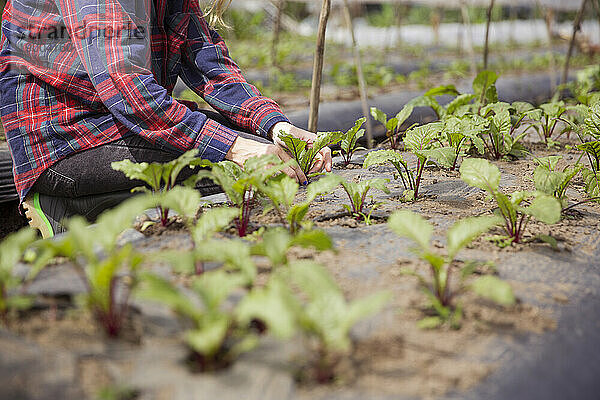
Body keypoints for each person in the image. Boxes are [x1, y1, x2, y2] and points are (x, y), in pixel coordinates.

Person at [0, 0, 331, 238]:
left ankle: (105, 201)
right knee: (246, 165)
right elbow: (126, 86)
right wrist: (236, 148)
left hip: (120, 123)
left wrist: (276, 127)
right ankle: (66, 204)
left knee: (265, 153)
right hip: (65, 142)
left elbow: (211, 67)